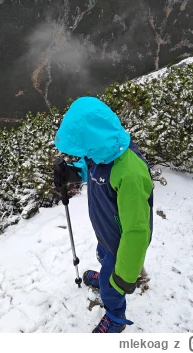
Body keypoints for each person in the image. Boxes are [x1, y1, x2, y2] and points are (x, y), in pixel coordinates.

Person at [54, 96, 154, 334]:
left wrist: (125, 276)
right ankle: (107, 275)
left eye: (85, 149)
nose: (84, 155)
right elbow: (92, 168)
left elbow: (137, 231)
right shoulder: (102, 154)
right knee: (103, 257)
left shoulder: (129, 172)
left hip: (123, 244)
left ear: (95, 140)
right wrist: (72, 172)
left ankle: (116, 318)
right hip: (107, 233)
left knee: (112, 287)